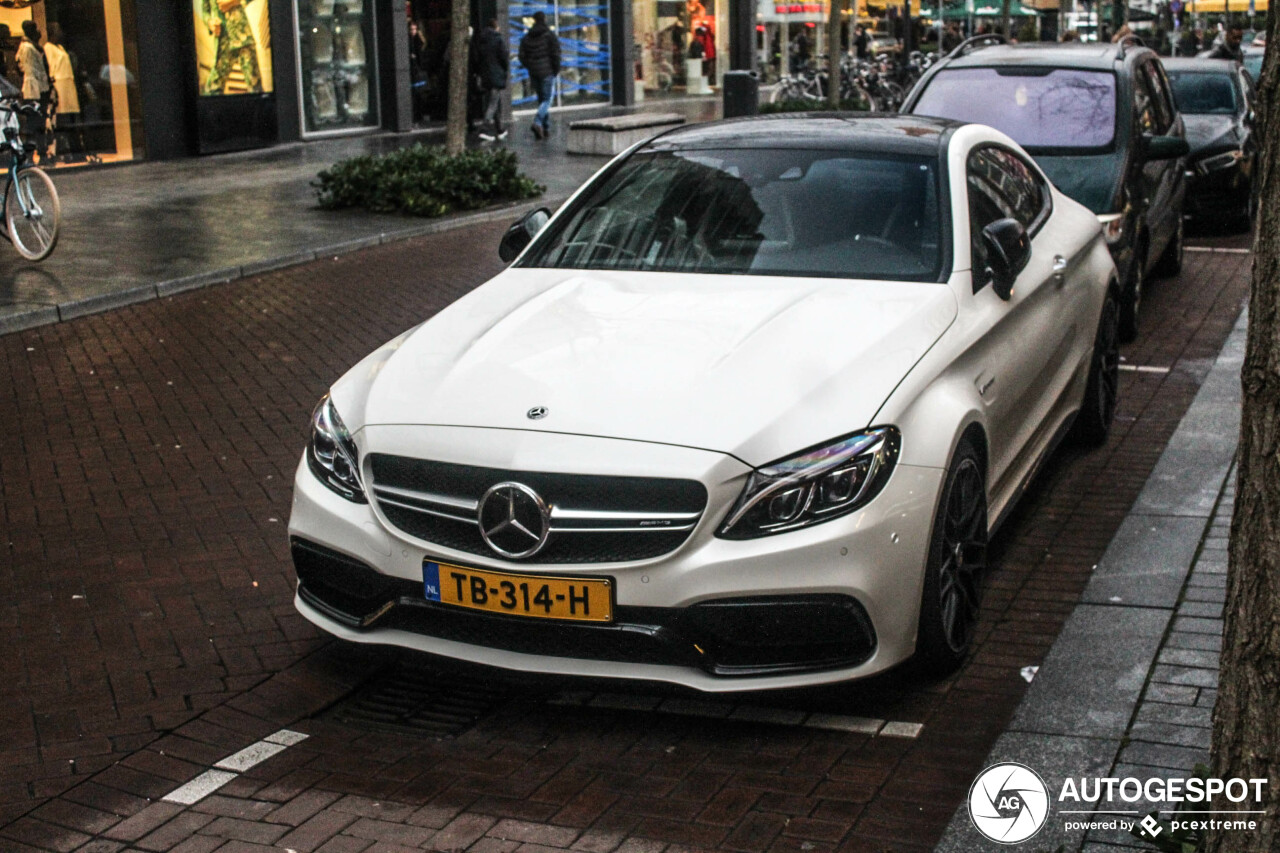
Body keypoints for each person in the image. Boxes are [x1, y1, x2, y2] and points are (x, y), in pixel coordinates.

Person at [201, 0, 263, 94]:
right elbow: (205, 12)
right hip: (222, 42)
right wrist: (211, 23)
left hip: (242, 37)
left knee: (255, 86)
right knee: (212, 90)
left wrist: (233, 2)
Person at [518, 11, 559, 140]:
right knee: (547, 100)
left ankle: (545, 128)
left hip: (534, 72)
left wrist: (529, 65)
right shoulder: (549, 35)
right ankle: (537, 122)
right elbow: (556, 54)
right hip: (547, 71)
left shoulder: (527, 37)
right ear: (544, 19)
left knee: (542, 99)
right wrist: (556, 69)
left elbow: (521, 55)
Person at [43, 23, 80, 161]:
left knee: (71, 118)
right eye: (58, 30)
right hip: (59, 84)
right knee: (60, 119)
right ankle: (61, 151)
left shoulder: (60, 47)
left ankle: (74, 149)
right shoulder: (48, 48)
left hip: (68, 84)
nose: (61, 33)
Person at [16, 21, 52, 163]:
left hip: (39, 88)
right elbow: (31, 71)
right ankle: (31, 155)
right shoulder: (27, 48)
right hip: (33, 89)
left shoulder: (33, 47)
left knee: (39, 123)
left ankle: (41, 153)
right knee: (33, 123)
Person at [474, 18, 508, 141]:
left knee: (493, 101)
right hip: (496, 75)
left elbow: (477, 59)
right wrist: (504, 70)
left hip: (486, 76)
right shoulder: (498, 39)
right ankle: (484, 128)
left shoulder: (481, 40)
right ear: (496, 27)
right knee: (493, 104)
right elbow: (504, 58)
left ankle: (499, 129)